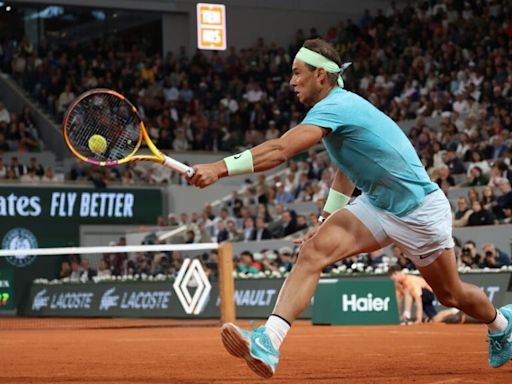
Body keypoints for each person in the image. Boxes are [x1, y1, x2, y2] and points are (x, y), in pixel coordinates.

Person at [188, 38, 512, 378]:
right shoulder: (332, 112)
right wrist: (326, 218)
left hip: (419, 211)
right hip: (377, 204)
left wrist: (218, 168)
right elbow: (346, 169)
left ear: (322, 76)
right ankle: (269, 341)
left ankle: (501, 322)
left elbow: (280, 151)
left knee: (450, 294)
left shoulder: (337, 106)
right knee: (313, 252)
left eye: (298, 73)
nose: (291, 81)